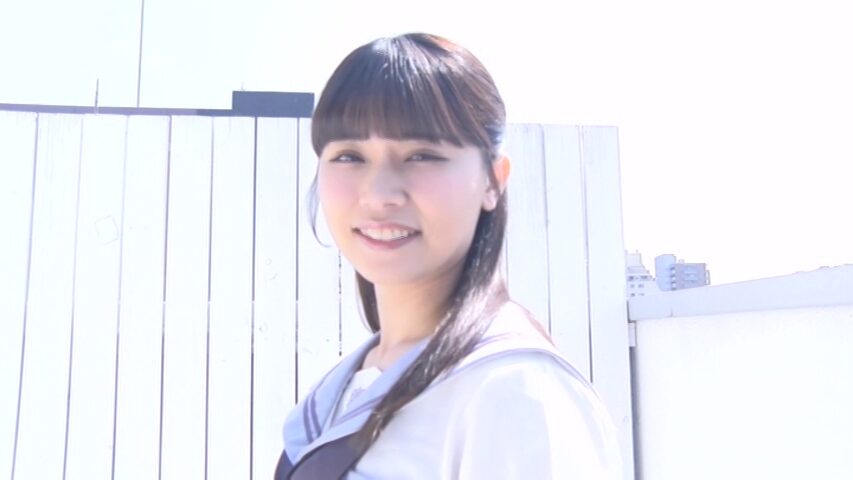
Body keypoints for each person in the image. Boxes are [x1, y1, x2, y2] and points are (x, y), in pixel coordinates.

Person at [275, 32, 622, 479]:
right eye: (349, 156)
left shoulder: (515, 393)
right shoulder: (349, 383)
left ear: (493, 181)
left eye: (422, 155)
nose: (378, 194)